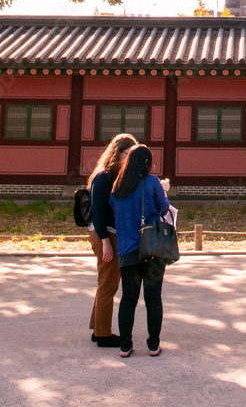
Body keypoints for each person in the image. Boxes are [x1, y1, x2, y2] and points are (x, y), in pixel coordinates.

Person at [109, 144, 170, 357]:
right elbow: (164, 209)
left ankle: (125, 346)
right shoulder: (152, 182)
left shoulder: (118, 187)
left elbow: (115, 212)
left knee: (128, 299)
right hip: (152, 249)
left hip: (127, 249)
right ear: (147, 163)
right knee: (153, 299)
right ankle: (153, 345)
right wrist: (164, 191)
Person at [87, 132, 137, 347]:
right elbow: (97, 211)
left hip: (108, 233)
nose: (131, 159)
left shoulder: (112, 175)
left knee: (105, 282)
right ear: (119, 152)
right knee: (108, 284)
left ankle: (98, 329)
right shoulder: (104, 176)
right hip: (105, 234)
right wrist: (105, 241)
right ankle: (104, 335)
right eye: (130, 154)